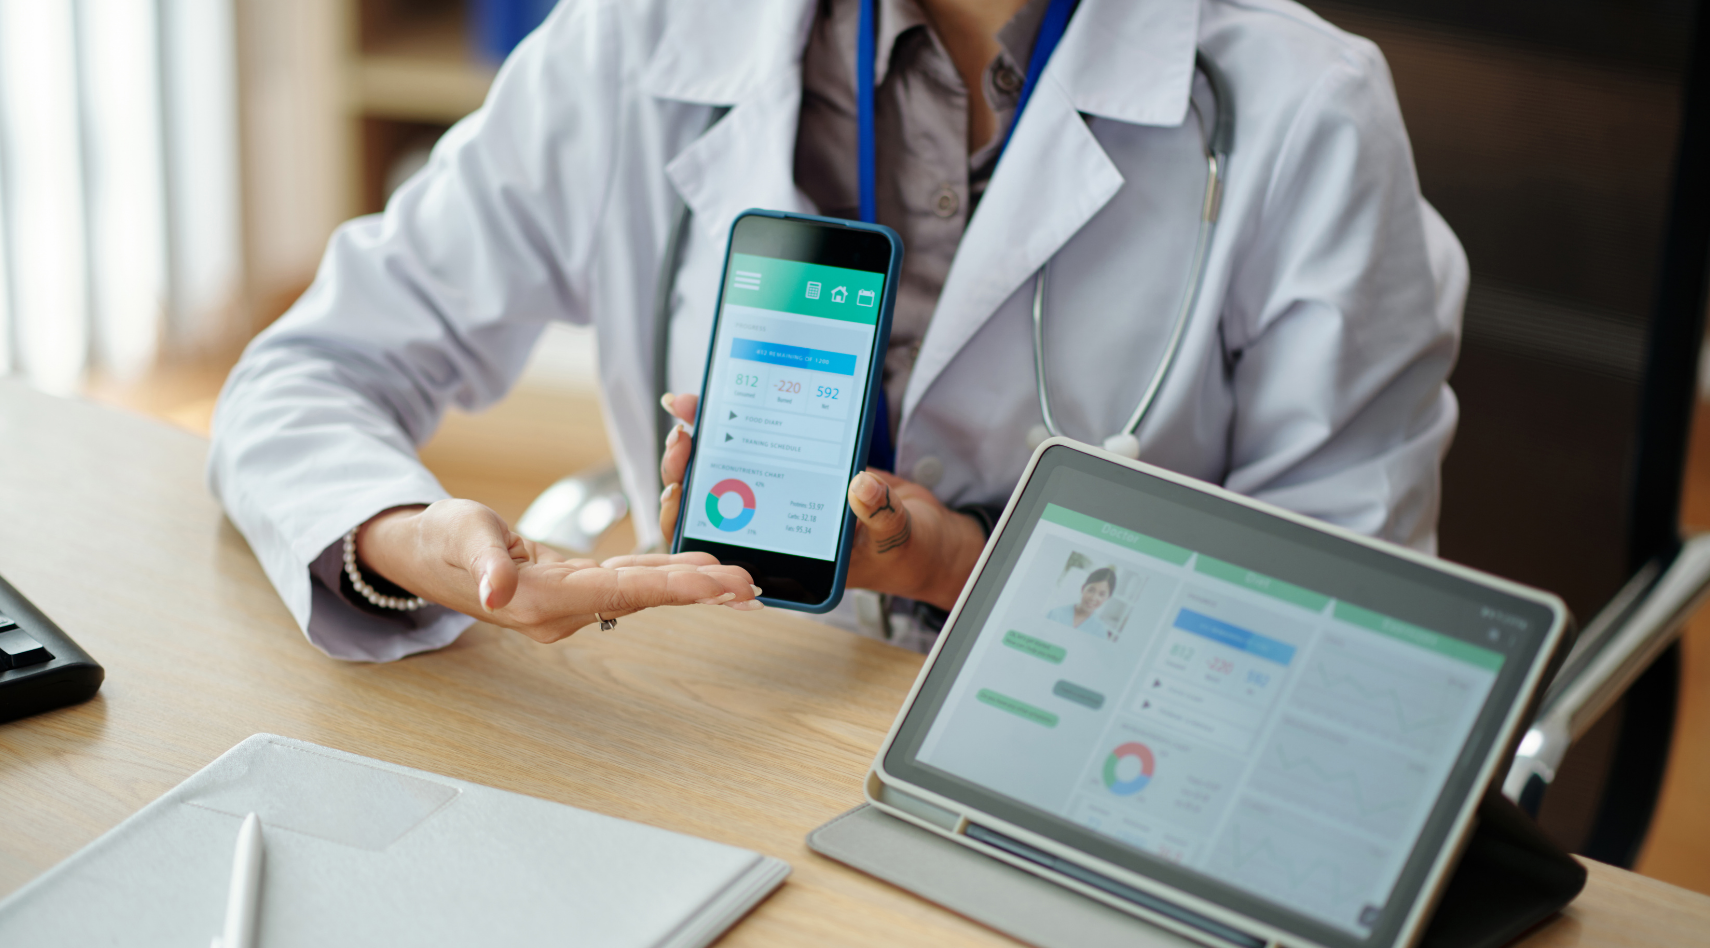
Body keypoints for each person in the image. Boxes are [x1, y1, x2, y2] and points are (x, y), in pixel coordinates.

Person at [208, 0, 1465, 661]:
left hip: (1095, 785)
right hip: (722, 746)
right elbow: (308, 374)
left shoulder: (1301, 113)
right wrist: (398, 538)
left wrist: (962, 571)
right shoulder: (642, 34)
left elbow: (1342, 632)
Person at [1046, 568, 1117, 639]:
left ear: (1108, 598)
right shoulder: (1055, 614)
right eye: (1091, 590)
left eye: (1101, 594)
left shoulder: (1100, 632)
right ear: (1083, 588)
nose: (1094, 598)